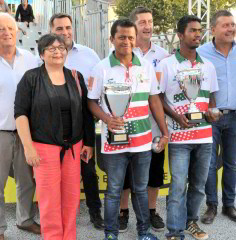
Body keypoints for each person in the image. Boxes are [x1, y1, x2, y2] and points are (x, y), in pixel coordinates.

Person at [88, 19, 169, 240]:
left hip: (143, 141)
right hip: (113, 142)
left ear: (136, 40)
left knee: (140, 189)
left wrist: (164, 132)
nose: (126, 41)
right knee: (114, 190)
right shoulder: (101, 68)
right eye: (121, 37)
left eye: (130, 37)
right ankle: (111, 233)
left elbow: (154, 101)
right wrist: (106, 118)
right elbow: (91, 101)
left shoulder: (145, 67)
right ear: (112, 39)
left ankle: (144, 232)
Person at [15, 33, 95, 240]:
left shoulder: (75, 77)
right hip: (43, 148)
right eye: (51, 48)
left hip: (74, 147)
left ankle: (69, 236)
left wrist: (88, 142)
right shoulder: (31, 78)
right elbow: (21, 113)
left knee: (71, 198)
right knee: (49, 199)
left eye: (61, 48)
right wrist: (28, 147)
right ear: (42, 54)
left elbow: (86, 113)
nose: (57, 52)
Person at [159, 15, 220, 240]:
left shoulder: (208, 66)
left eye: (199, 31)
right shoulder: (166, 64)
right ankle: (174, 230)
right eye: (192, 30)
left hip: (204, 136)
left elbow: (211, 97)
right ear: (180, 35)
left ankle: (191, 222)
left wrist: (213, 112)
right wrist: (176, 115)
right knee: (178, 187)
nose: (197, 34)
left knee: (198, 186)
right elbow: (157, 98)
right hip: (179, 137)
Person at [49, 12, 104, 230]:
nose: (64, 32)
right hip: (53, 127)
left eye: (67, 28)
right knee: (54, 175)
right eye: (59, 29)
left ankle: (94, 212)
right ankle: (55, 215)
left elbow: (98, 89)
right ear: (51, 31)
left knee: (88, 171)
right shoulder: (43, 56)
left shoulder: (89, 55)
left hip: (83, 123)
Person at [196, 10, 236, 224]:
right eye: (225, 25)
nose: (231, 29)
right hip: (211, 118)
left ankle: (229, 205)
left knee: (231, 163)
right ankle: (211, 205)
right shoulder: (201, 52)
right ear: (213, 30)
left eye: (232, 25)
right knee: (209, 164)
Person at [118, 6, 169, 233]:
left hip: (153, 123)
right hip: (128, 124)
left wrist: (164, 127)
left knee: (154, 170)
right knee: (126, 171)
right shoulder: (122, 52)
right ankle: (123, 212)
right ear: (133, 26)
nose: (148, 26)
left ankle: (150, 211)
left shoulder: (163, 55)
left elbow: (160, 94)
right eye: (143, 22)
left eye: (150, 22)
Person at [0, 12, 40, 240]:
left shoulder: (30, 59)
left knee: (26, 181)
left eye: (10, 28)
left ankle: (24, 220)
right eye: (0, 28)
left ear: (18, 31)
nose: (6, 32)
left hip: (26, 133)